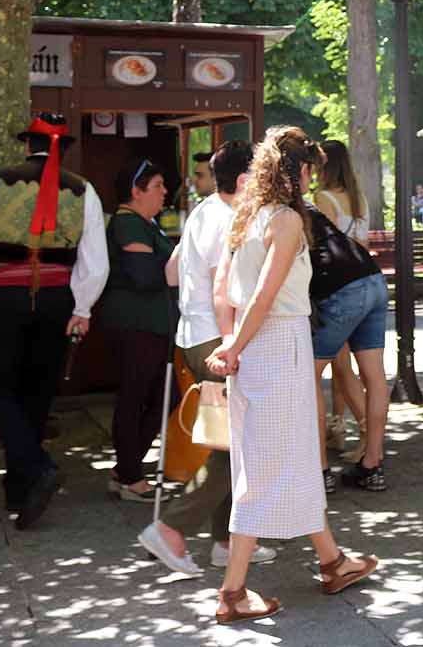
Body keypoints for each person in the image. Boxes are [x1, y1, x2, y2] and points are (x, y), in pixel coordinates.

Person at [205, 127, 378, 623]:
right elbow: (265, 292)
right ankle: (233, 591)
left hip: (254, 348)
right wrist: (234, 345)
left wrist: (230, 342)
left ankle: (332, 560)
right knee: (268, 466)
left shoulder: (244, 216)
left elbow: (224, 287)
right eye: (309, 169)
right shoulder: (284, 220)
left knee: (290, 456)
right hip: (279, 345)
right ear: (298, 171)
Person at [0, 114, 107, 528]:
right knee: (36, 391)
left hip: (3, 299)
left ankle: (36, 468)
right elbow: (95, 263)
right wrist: (82, 308)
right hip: (56, 301)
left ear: (26, 143)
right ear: (63, 148)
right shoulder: (84, 191)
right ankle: (20, 488)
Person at [138, 141, 277, 575]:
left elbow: (170, 273)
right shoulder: (234, 219)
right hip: (219, 340)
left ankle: (226, 540)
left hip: (194, 336)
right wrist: (235, 344)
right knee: (235, 447)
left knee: (229, 441)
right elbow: (228, 291)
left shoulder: (201, 210)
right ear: (242, 180)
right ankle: (172, 529)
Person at [96, 159, 178, 503]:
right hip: (135, 325)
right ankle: (130, 476)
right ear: (136, 191)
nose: (164, 192)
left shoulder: (147, 224)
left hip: (153, 326)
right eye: (157, 185)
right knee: (135, 397)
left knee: (165, 397)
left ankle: (125, 467)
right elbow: (144, 278)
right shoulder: (128, 224)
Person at [304, 194, 391, 495]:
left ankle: (320, 471)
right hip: (372, 278)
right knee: (375, 375)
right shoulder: (310, 206)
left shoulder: (278, 212)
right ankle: (373, 465)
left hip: (340, 289)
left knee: (308, 374)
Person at [312, 140, 373, 461]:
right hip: (366, 283)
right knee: (346, 364)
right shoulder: (359, 198)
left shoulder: (322, 199)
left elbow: (321, 245)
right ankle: (340, 429)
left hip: (337, 287)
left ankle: (365, 435)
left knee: (341, 366)